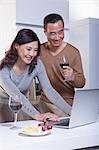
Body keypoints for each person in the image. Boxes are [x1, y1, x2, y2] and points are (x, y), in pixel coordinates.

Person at [0, 28, 71, 123]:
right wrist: (37, 115)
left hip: (24, 108)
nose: (32, 54)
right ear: (16, 46)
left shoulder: (37, 64)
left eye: (35, 50)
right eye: (28, 49)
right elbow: (16, 96)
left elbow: (49, 91)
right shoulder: (3, 68)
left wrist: (71, 111)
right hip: (4, 108)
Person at [36, 13, 86, 117]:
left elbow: (81, 83)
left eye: (61, 32)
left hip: (67, 103)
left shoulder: (73, 52)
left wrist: (73, 77)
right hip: (45, 104)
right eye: (53, 33)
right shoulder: (38, 51)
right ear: (45, 32)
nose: (58, 37)